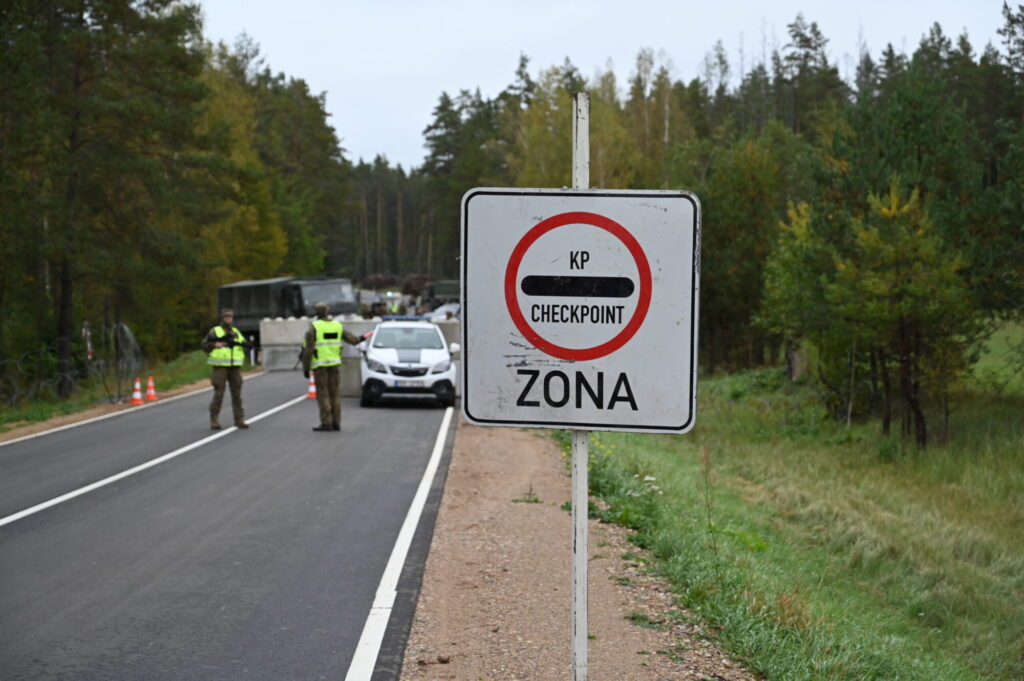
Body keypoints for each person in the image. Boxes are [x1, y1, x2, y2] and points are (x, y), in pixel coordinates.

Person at [302, 301, 360, 432]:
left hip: (320, 366)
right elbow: (352, 339)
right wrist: (359, 339)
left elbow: (308, 350)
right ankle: (336, 423)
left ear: (316, 312)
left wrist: (306, 368)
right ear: (328, 311)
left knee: (323, 394)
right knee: (335, 394)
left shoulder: (314, 327)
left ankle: (326, 422)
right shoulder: (337, 325)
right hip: (334, 365)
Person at [201, 308, 251, 430]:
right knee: (219, 393)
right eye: (226, 317)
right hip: (220, 367)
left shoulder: (236, 332)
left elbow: (242, 344)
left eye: (230, 317)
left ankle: (239, 419)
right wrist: (214, 345)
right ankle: (214, 419)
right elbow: (204, 345)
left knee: (237, 394)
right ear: (222, 318)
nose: (228, 319)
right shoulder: (215, 331)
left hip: (234, 367)